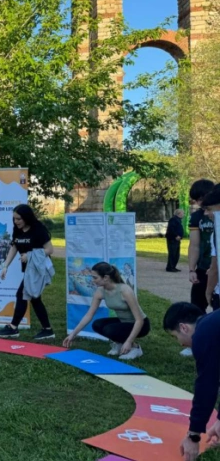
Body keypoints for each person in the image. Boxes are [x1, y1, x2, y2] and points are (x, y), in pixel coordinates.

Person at [162, 302, 220, 461]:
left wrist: (193, 436)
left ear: (184, 328)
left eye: (176, 336)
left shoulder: (203, 334)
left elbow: (207, 386)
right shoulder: (212, 324)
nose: (180, 343)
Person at [63, 262, 149, 360]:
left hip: (141, 325)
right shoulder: (100, 291)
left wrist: (129, 342)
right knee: (97, 325)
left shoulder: (125, 290)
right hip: (124, 322)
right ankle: (120, 343)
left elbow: (139, 320)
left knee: (110, 330)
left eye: (95, 278)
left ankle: (135, 348)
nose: (93, 280)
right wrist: (73, 334)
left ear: (106, 278)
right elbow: (89, 315)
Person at [0, 204, 55, 341]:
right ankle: (47, 329)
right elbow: (14, 247)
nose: (16, 222)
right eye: (14, 219)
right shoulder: (18, 230)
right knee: (34, 298)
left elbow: (50, 250)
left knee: (22, 294)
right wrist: (5, 266)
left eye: (19, 219)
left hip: (39, 269)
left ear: (26, 218)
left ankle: (13, 327)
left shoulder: (38, 229)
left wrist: (29, 255)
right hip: (28, 270)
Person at [184, 179, 215, 357]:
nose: (198, 203)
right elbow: (194, 245)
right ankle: (194, 342)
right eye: (195, 200)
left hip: (216, 268)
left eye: (199, 199)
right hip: (203, 267)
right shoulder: (197, 217)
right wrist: (192, 269)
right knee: (197, 306)